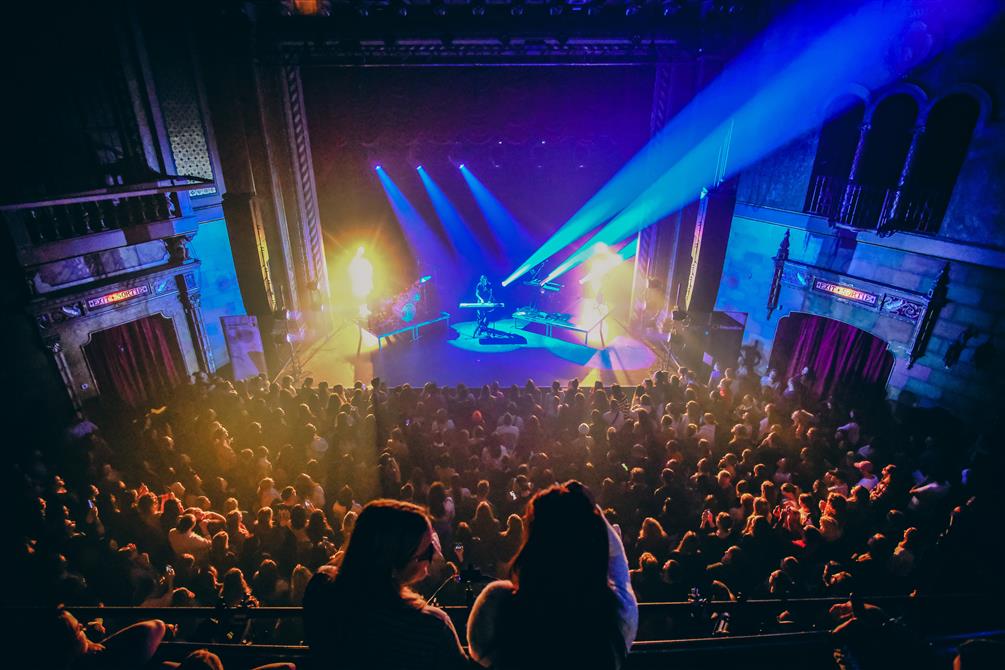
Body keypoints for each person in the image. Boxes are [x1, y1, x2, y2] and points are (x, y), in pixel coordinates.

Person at [467, 481, 638, 670]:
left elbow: (478, 648)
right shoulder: (616, 621)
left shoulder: (499, 609)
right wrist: (586, 508)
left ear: (533, 544)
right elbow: (617, 559)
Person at [303, 500, 468, 669]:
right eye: (426, 551)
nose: (433, 555)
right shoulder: (432, 626)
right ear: (394, 562)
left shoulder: (321, 591)